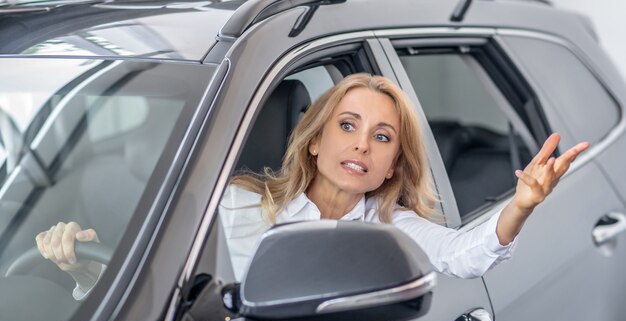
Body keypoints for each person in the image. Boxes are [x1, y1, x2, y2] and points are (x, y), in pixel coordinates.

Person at [36, 73, 590, 296]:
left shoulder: (391, 228)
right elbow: (171, 292)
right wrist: (86, 270)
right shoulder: (234, 203)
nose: (361, 146)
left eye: (381, 137)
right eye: (347, 126)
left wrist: (521, 206)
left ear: (393, 165)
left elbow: (464, 256)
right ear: (316, 140)